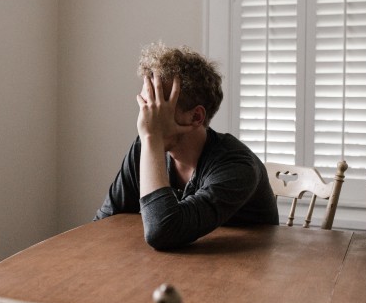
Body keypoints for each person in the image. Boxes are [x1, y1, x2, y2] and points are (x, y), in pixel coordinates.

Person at [95, 42, 279, 250]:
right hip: (177, 268)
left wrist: (151, 138)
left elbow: (162, 232)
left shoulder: (237, 166)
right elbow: (103, 223)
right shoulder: (145, 148)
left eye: (158, 107)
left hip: (247, 271)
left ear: (196, 116)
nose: (145, 118)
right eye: (145, 105)